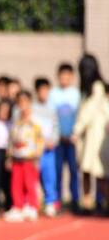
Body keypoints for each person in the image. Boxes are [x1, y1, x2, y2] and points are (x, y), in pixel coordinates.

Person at [73, 54, 109, 213]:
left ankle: (105, 201)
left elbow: (89, 111)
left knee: (100, 173)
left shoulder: (98, 87)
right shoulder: (88, 89)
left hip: (97, 135)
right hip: (89, 137)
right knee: (86, 172)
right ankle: (87, 203)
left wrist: (77, 129)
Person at [4, 91, 45, 222]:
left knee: (29, 183)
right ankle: (18, 206)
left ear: (29, 103)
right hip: (17, 156)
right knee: (16, 183)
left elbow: (40, 139)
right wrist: (9, 156)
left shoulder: (35, 121)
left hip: (30, 157)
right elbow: (11, 139)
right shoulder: (16, 121)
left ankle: (32, 206)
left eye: (24, 102)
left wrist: (37, 155)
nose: (22, 105)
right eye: (19, 102)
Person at [49, 62, 81, 212]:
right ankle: (58, 201)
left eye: (67, 77)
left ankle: (75, 200)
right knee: (58, 171)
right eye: (62, 76)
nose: (64, 79)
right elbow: (51, 117)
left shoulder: (75, 94)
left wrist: (75, 134)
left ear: (72, 77)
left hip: (72, 140)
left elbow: (79, 116)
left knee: (74, 171)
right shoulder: (53, 94)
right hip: (58, 140)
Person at [31, 77, 60, 217]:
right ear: (37, 92)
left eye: (46, 91)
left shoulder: (52, 109)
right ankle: (33, 202)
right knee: (33, 176)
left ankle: (50, 202)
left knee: (49, 176)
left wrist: (52, 141)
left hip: (49, 149)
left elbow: (55, 127)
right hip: (36, 150)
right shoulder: (32, 109)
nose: (44, 93)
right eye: (41, 91)